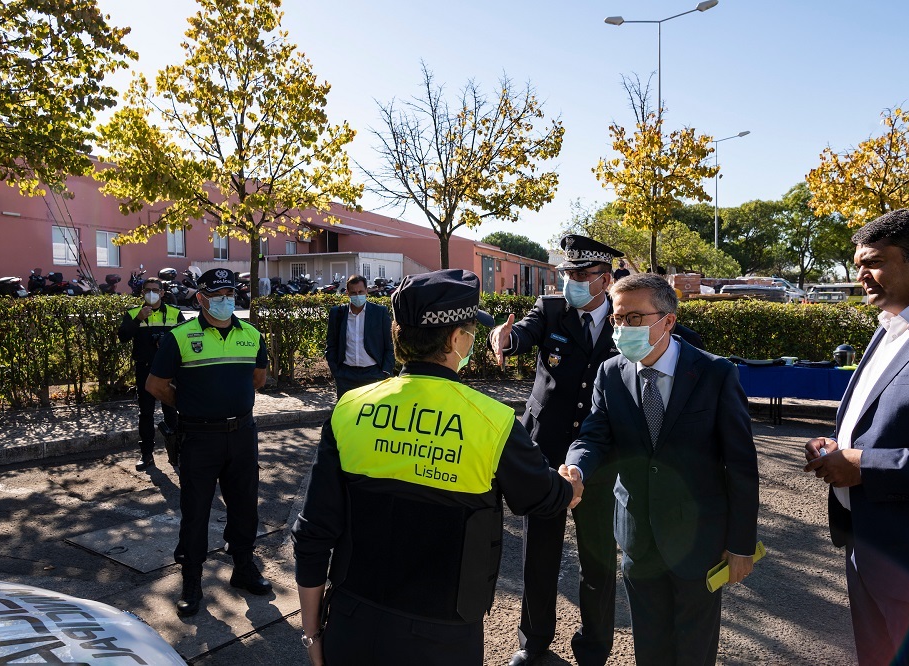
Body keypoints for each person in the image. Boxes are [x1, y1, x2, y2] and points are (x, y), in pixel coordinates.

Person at [292, 268, 576, 666]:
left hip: (353, 619)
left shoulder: (350, 408)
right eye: (471, 332)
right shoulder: (491, 421)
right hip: (443, 634)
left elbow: (313, 532)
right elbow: (543, 497)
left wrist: (312, 634)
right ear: (456, 338)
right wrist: (570, 484)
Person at [564, 272, 759, 666]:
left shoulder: (715, 373)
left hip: (699, 537)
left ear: (668, 321)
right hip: (637, 534)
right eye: (617, 319)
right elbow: (593, 437)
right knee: (648, 645)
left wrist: (741, 544)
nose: (621, 328)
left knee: (694, 647)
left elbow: (740, 464)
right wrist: (575, 469)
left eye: (634, 319)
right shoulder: (610, 373)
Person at [803, 208, 909, 664]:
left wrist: (864, 467)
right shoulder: (891, 325)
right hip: (868, 557)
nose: (862, 277)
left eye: (873, 263)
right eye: (857, 267)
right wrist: (835, 445)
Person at [489, 234, 622, 666]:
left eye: (581, 275)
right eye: (568, 274)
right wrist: (503, 340)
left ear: (604, 279)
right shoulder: (549, 310)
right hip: (544, 453)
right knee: (539, 553)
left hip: (601, 455)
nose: (572, 282)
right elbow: (521, 336)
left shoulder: (626, 318)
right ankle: (534, 641)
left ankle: (595, 645)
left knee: (597, 558)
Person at [146, 267, 271, 618]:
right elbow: (156, 386)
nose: (225, 301)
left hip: (242, 435)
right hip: (199, 436)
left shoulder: (251, 334)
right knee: (196, 511)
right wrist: (191, 404)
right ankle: (192, 581)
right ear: (201, 298)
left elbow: (257, 378)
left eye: (230, 294)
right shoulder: (180, 337)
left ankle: (244, 568)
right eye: (217, 296)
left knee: (245, 506)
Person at [117, 276, 184, 471]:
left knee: (171, 411)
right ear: (142, 293)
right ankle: (146, 454)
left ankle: (177, 452)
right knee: (145, 413)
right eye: (147, 290)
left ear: (163, 293)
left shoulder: (174, 313)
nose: (152, 293)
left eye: (155, 290)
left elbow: (185, 339)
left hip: (169, 371)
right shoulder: (133, 313)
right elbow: (123, 337)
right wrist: (138, 319)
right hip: (145, 369)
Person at [325, 274, 395, 399]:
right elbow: (331, 344)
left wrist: (385, 372)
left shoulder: (379, 312)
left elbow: (390, 344)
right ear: (347, 293)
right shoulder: (338, 313)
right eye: (353, 293)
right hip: (346, 375)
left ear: (366, 291)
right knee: (347, 415)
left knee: (372, 415)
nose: (357, 295)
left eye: (360, 291)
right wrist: (336, 371)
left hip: (373, 374)